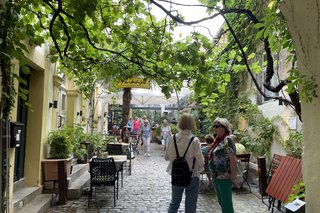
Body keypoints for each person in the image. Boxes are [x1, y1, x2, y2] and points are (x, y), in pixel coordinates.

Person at [165, 113, 204, 213]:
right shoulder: (194, 140)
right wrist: (201, 168)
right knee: (191, 206)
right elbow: (200, 160)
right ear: (192, 124)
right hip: (192, 175)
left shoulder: (172, 138)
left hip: (176, 174)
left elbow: (167, 157)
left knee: (174, 203)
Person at [208, 118, 239, 213]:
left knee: (226, 204)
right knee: (221, 201)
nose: (214, 128)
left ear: (224, 127)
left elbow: (232, 160)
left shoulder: (227, 140)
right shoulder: (217, 140)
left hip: (224, 176)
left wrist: (233, 178)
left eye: (217, 126)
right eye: (214, 126)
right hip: (216, 175)